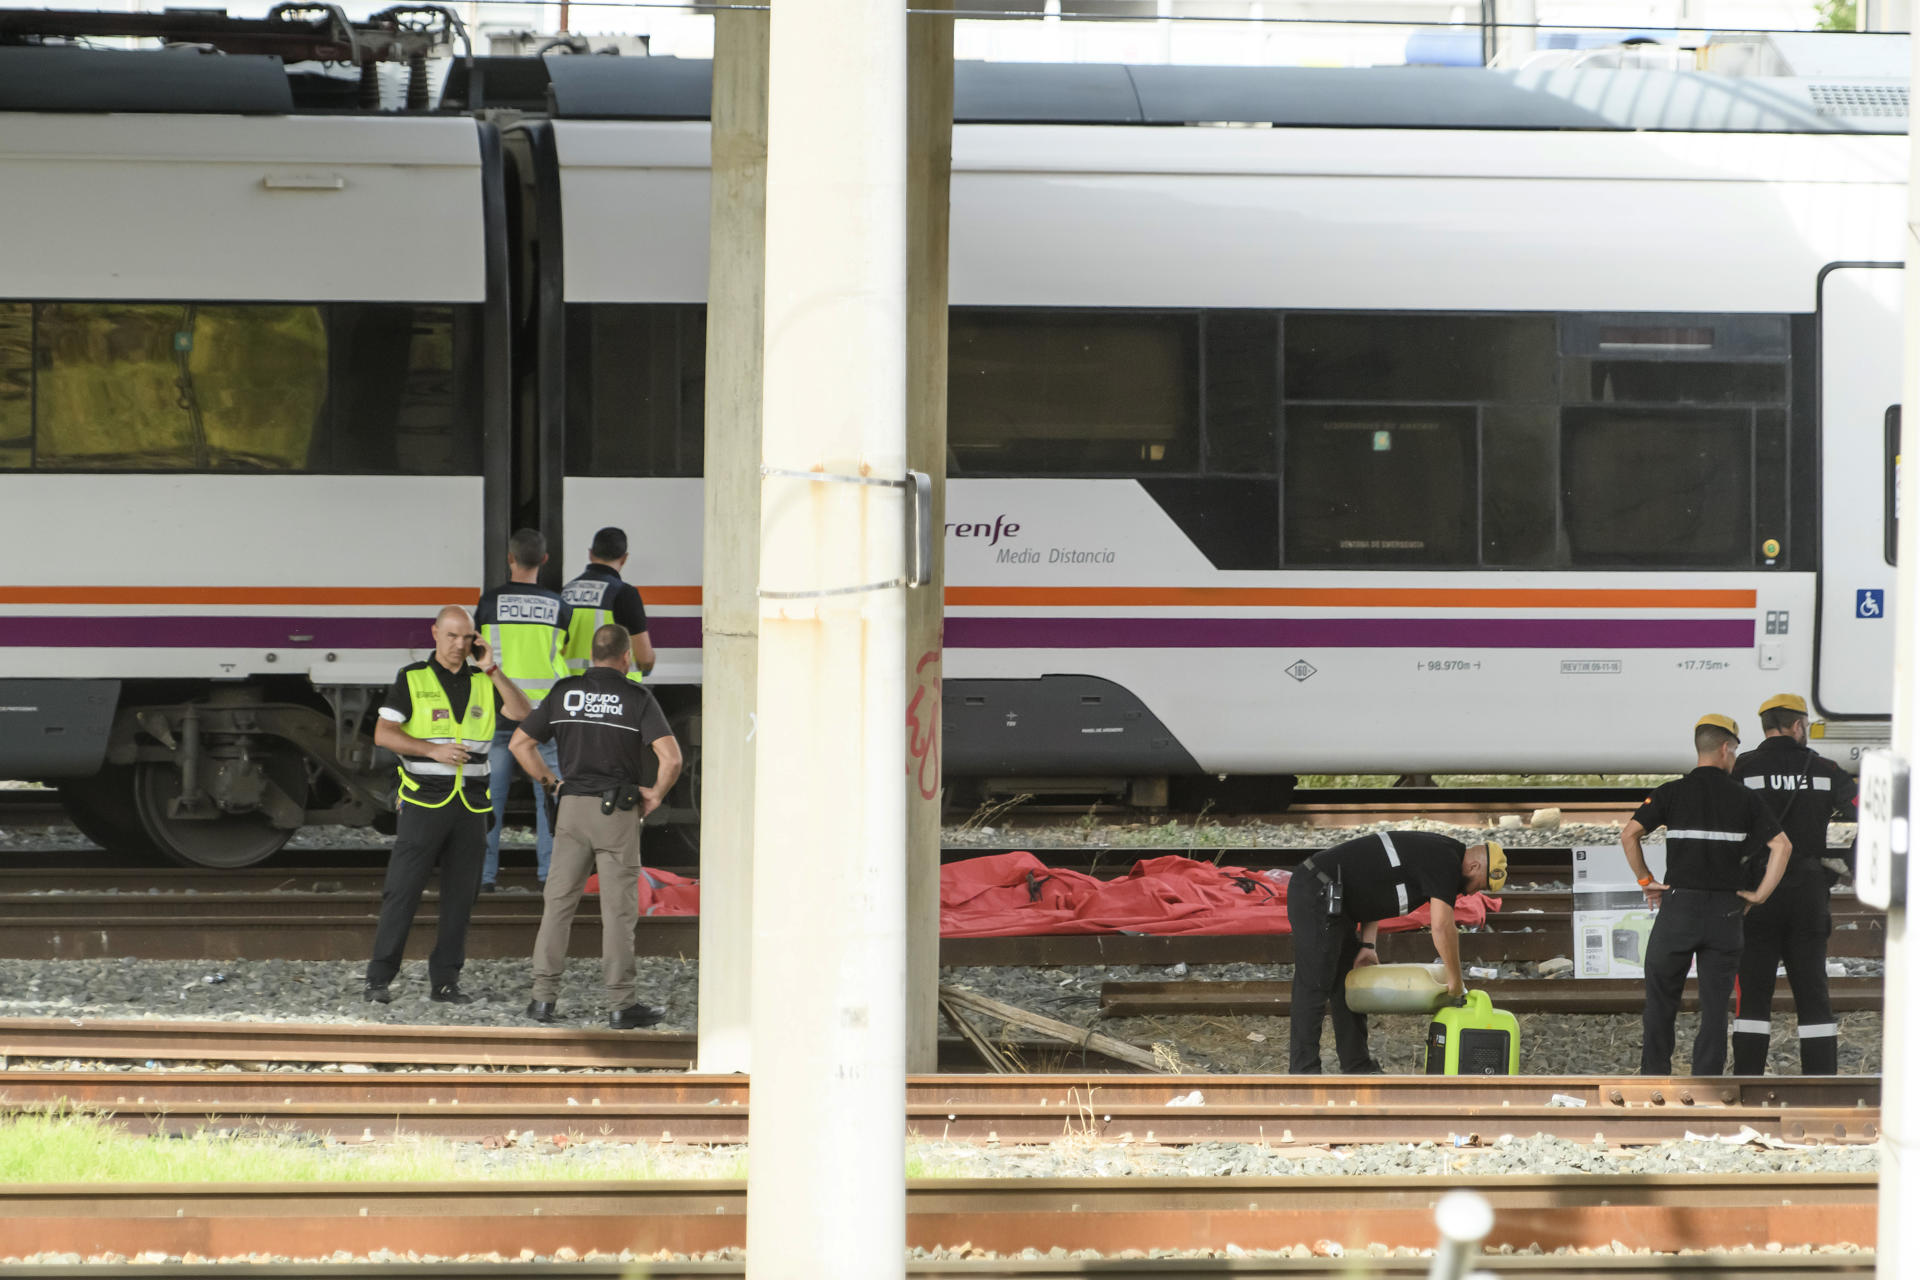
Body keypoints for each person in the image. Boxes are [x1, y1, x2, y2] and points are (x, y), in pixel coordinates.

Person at [510, 624, 682, 1029]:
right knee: (618, 913)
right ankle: (621, 1005)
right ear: (625, 657)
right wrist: (656, 793)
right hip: (616, 814)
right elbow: (671, 759)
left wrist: (551, 783)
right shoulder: (637, 698)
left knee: (558, 905)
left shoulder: (565, 692)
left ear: (592, 655)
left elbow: (520, 744)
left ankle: (542, 1000)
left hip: (571, 809)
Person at [366, 605, 531, 1004]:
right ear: (435, 633)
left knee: (461, 898)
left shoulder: (482, 680)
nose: (459, 645)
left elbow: (524, 714)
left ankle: (446, 982)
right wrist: (431, 750)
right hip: (423, 801)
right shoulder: (412, 678)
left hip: (471, 806)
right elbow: (383, 734)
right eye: (452, 636)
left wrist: (493, 669)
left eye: (466, 638)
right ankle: (378, 980)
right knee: (402, 892)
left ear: (475, 640)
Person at [1621, 713, 1791, 1077]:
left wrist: (1645, 880)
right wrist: (1759, 895)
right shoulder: (1745, 799)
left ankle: (1654, 1076)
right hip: (1726, 913)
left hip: (1678, 907)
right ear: (1727, 749)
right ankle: (1707, 1078)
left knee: (1661, 999)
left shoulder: (1671, 792)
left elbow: (1629, 834)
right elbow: (1782, 846)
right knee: (1715, 1006)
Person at [1287, 831, 1506, 1074]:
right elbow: (1443, 927)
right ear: (1474, 867)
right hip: (1317, 888)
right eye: (1480, 886)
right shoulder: (1446, 862)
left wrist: (1368, 945)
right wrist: (1455, 979)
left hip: (1337, 898)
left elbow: (1377, 886)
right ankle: (1303, 1073)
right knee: (1314, 984)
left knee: (1347, 986)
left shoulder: (1441, 854)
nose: (1473, 893)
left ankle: (1357, 1066)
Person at [1730, 693, 1858, 1075]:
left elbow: (1725, 825)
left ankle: (1747, 1079)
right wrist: (1843, 863)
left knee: (1752, 993)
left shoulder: (1743, 768)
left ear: (1766, 726)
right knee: (1813, 992)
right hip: (1808, 892)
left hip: (1757, 895)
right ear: (1798, 725)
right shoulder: (1825, 768)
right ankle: (1821, 1081)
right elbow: (1865, 812)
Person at [474, 528, 573, 891]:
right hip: (543, 718)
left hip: (498, 714)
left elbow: (478, 655)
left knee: (488, 801)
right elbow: (565, 659)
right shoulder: (559, 607)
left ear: (509, 559)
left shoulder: (488, 604)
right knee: (551, 796)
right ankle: (550, 876)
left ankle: (484, 878)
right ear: (544, 561)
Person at [561, 527, 655, 680]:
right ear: (624, 559)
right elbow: (644, 659)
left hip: (573, 690)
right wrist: (647, 666)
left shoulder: (565, 592)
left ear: (590, 554)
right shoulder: (625, 594)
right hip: (616, 693)